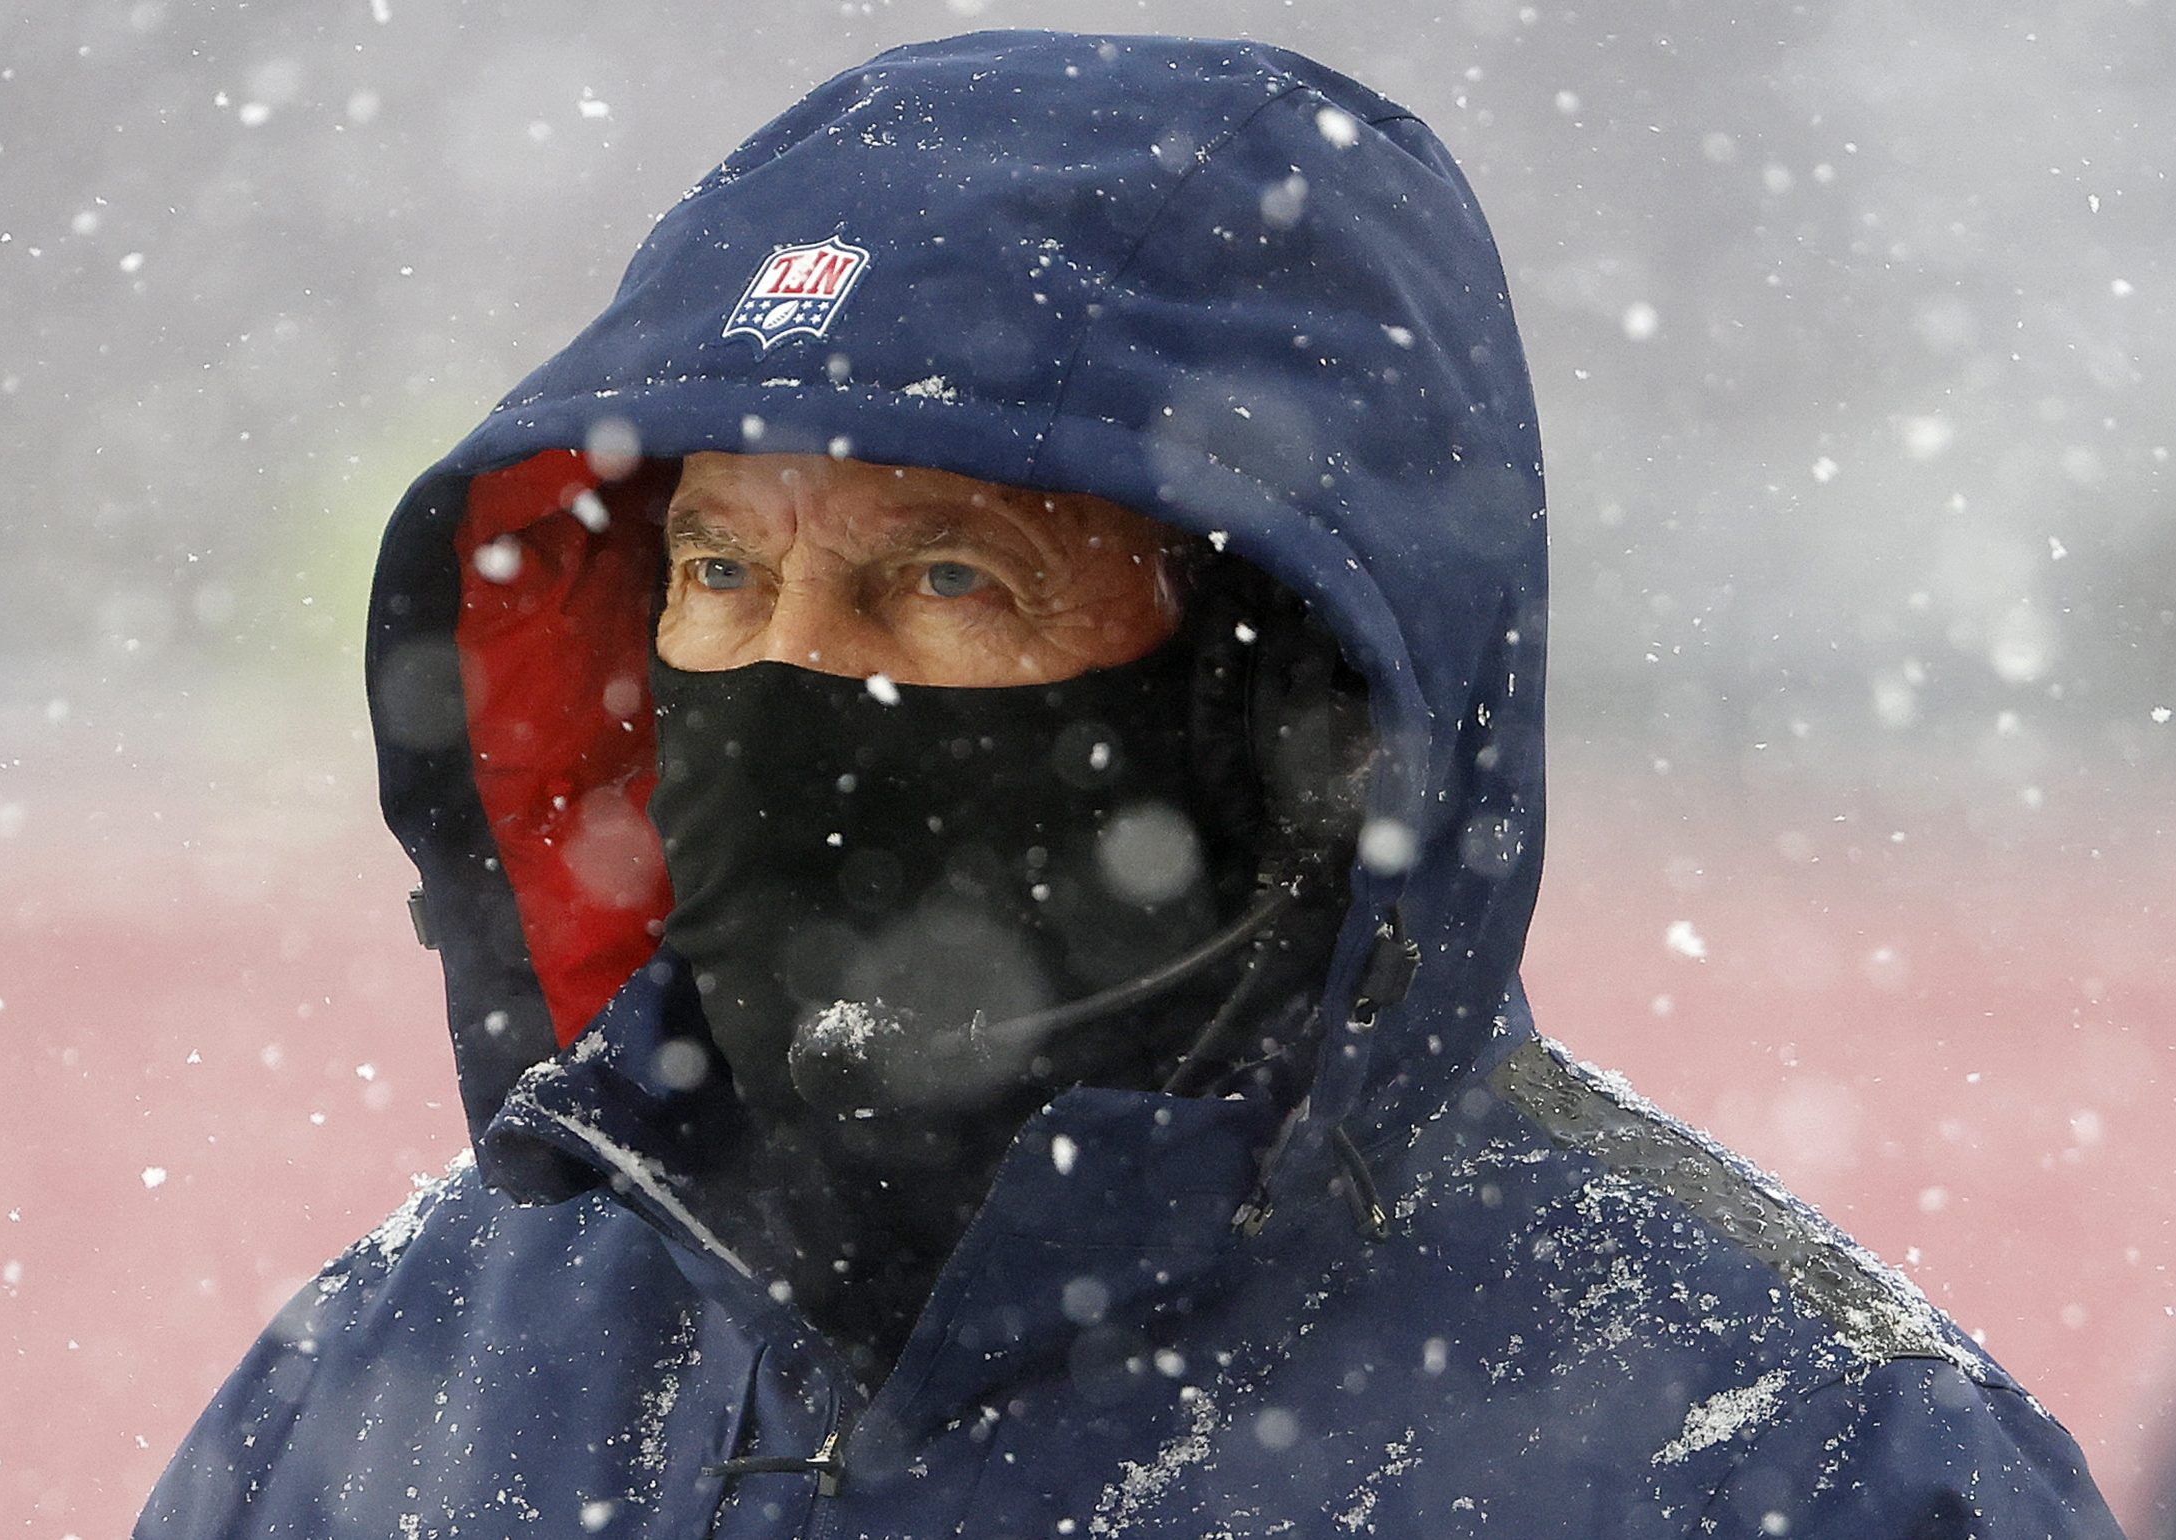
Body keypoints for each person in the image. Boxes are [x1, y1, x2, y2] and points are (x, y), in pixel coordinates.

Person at [138, 31, 2126, 1538]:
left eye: (941, 575)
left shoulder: (1786, 1456)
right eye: (722, 574)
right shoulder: (387, 1394)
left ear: (1283, 698)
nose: (794, 676)